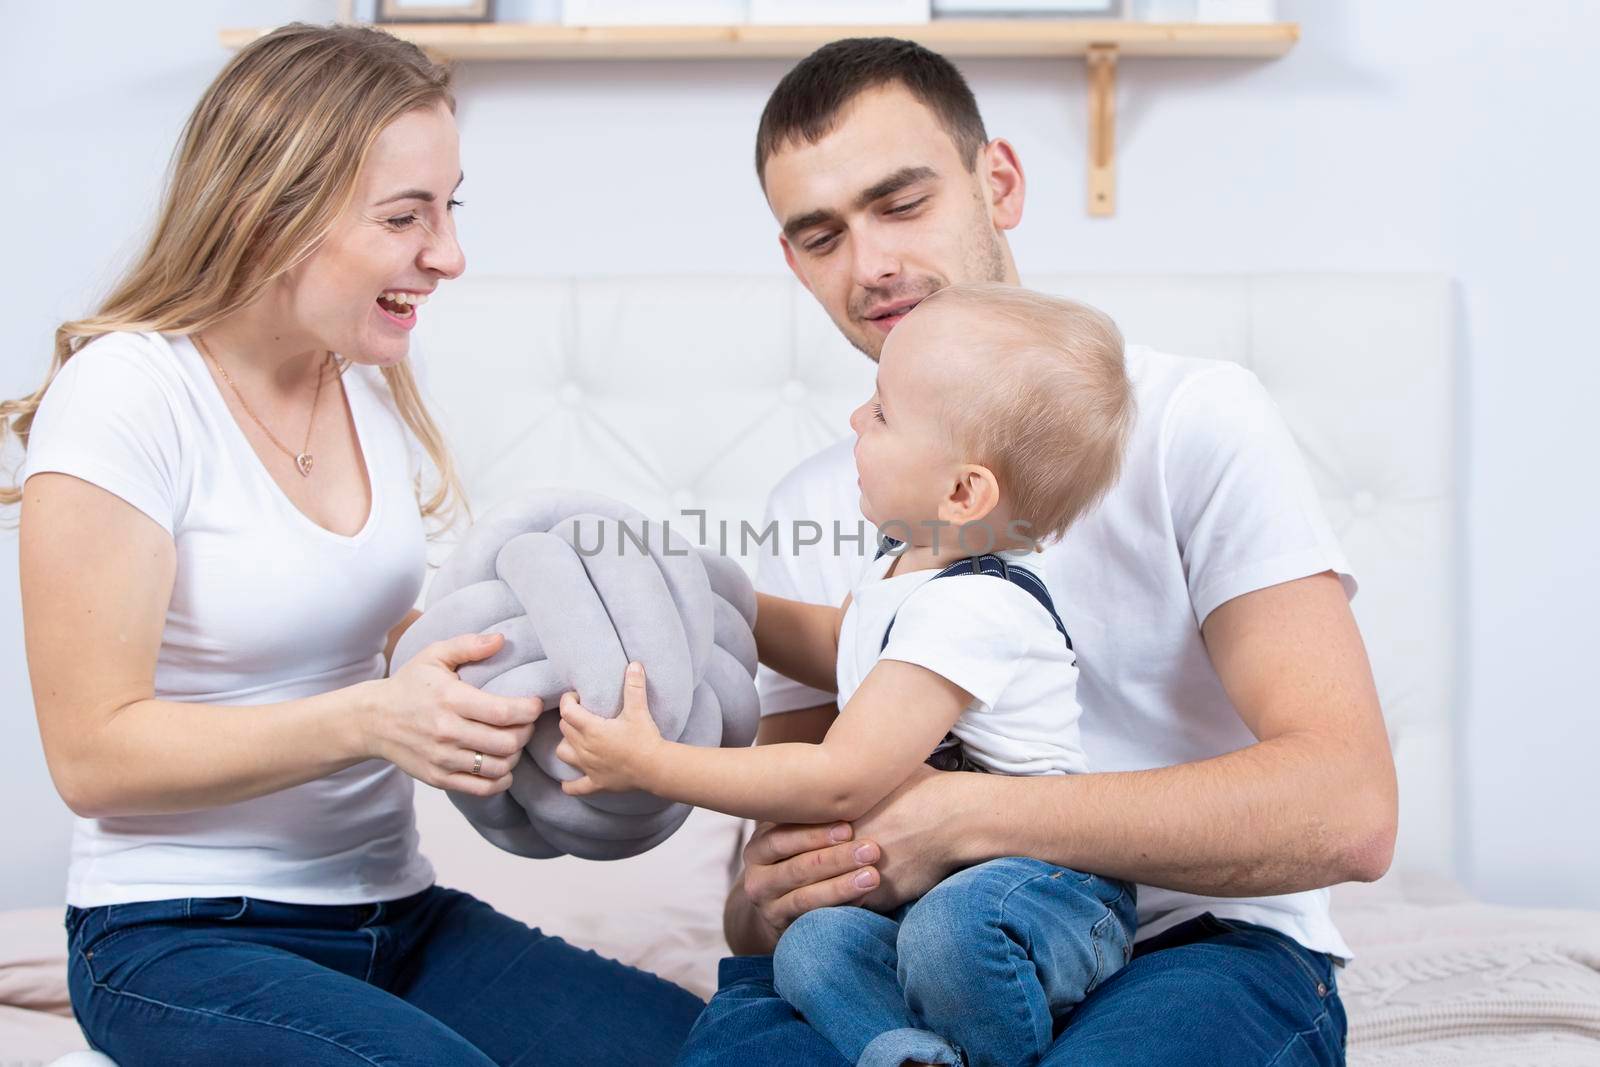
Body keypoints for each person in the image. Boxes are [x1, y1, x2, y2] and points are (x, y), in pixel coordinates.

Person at [677, 37, 1397, 1066]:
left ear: (997, 183)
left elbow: (1350, 809)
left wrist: (970, 815)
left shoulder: (1194, 419)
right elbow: (765, 897)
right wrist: (764, 894)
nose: (870, 262)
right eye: (821, 234)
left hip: (1191, 942)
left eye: (901, 202)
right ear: (794, 261)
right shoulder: (812, 504)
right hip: (891, 955)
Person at [5, 23, 701, 1066]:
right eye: (404, 216)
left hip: (396, 916)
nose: (449, 254)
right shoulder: (128, 393)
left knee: (724, 1046)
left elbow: (369, 641)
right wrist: (376, 718)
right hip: (177, 935)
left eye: (449, 206)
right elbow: (94, 755)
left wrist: (519, 680)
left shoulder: (360, 376)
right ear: (270, 213)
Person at [557, 285, 1137, 1066]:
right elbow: (839, 642)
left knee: (949, 933)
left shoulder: (977, 608)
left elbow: (839, 779)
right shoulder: (904, 567)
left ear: (963, 491)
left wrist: (652, 765)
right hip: (941, 900)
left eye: (883, 413)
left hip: (1048, 897)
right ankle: (902, 1052)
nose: (856, 421)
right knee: (810, 944)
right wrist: (714, 590)